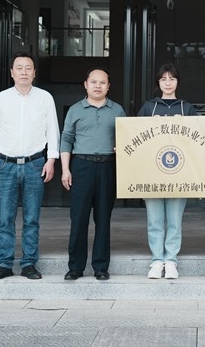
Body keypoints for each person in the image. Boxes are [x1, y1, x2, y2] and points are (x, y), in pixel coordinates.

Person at [0, 53, 59, 281]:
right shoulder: (1, 99)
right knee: (5, 219)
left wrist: (51, 159)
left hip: (35, 164)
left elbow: (53, 130)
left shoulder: (45, 98)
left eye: (28, 68)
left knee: (32, 218)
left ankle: (29, 264)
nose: (24, 72)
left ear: (34, 72)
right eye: (19, 67)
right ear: (12, 72)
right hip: (5, 164)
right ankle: (4, 264)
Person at [60, 68, 126, 281]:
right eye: (94, 82)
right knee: (78, 219)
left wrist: (121, 147)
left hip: (108, 166)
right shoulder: (75, 110)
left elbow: (126, 138)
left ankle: (101, 267)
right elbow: (66, 139)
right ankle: (75, 267)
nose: (98, 86)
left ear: (108, 86)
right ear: (86, 85)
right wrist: (65, 169)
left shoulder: (117, 110)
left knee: (103, 219)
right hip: (81, 166)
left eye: (102, 82)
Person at [136, 64, 196, 280]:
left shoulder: (187, 108)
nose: (168, 83)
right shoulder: (148, 108)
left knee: (174, 220)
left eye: (172, 79)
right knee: (154, 220)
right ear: (158, 83)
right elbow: (134, 137)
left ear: (178, 82)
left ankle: (171, 260)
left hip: (178, 173)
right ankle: (156, 260)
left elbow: (197, 141)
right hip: (151, 173)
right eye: (163, 79)